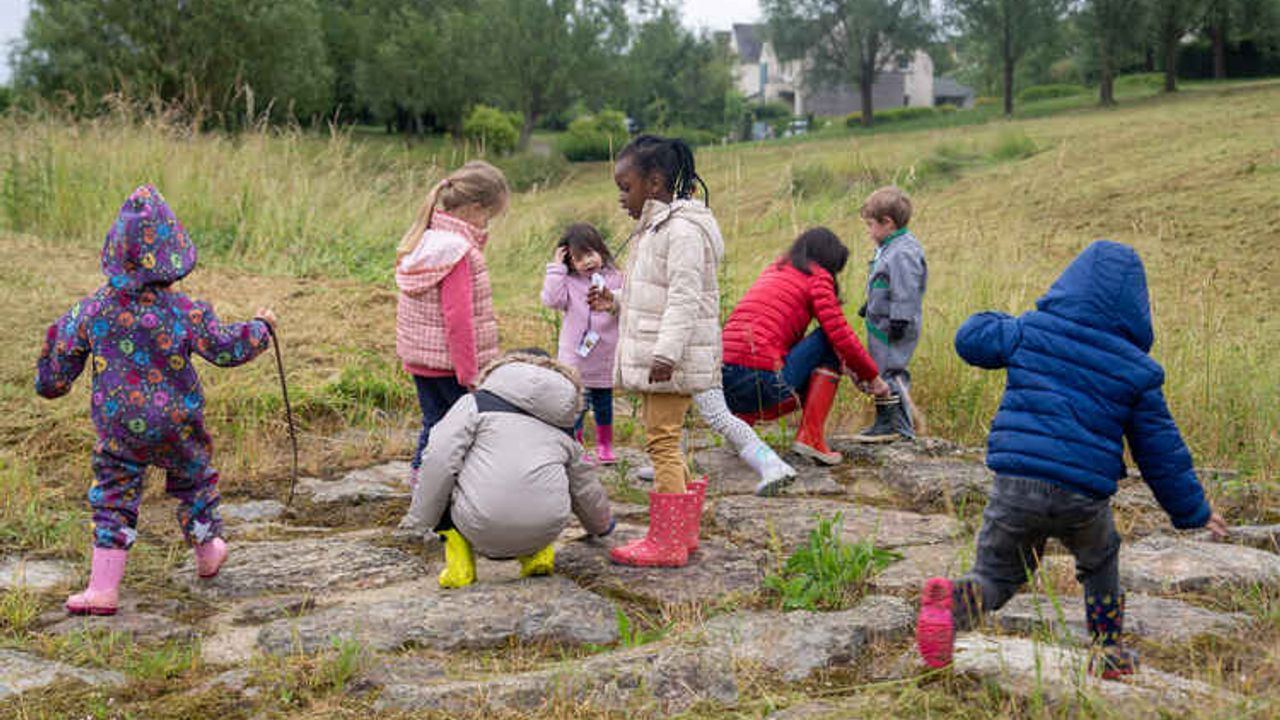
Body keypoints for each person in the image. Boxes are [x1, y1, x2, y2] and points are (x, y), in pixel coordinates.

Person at [915, 240, 1230, 677]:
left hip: (1016, 484)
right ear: (1137, 307)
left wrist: (1010, 324)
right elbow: (1161, 451)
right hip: (1083, 498)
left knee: (998, 574)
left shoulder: (1029, 330)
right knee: (1100, 564)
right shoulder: (1136, 369)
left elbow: (969, 339)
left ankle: (951, 606)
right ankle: (1107, 651)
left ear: (1068, 285)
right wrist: (1193, 511)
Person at [35, 184, 275, 616]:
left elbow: (60, 352)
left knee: (113, 496)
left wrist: (50, 383)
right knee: (195, 481)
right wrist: (261, 329)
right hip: (177, 421)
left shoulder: (95, 310)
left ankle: (103, 589)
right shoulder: (184, 311)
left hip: (120, 426)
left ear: (115, 253)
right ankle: (208, 550)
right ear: (174, 255)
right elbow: (224, 347)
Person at [588, 134, 722, 568]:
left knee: (661, 442)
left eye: (626, 187)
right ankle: (683, 532)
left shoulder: (681, 230)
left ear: (656, 182)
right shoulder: (658, 228)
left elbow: (685, 298)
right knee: (668, 442)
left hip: (671, 359)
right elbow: (656, 298)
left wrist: (665, 354)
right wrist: (617, 303)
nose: (622, 198)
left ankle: (666, 541)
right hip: (666, 353)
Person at [397, 350, 615, 588]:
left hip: (480, 526)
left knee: (451, 471)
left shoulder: (475, 404)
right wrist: (601, 526)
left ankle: (460, 564)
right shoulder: (562, 424)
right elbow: (584, 485)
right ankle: (536, 555)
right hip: (544, 529)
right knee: (544, 481)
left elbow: (439, 457)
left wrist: (421, 520)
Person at [720, 227, 891, 471]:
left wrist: (852, 368)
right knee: (827, 339)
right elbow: (839, 333)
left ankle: (741, 427)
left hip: (723, 388)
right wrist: (872, 377)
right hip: (763, 383)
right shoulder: (817, 276)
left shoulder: (776, 270)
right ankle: (810, 438)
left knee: (781, 348)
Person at [396, 160, 510, 491]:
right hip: (452, 366)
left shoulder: (427, 240)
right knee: (462, 430)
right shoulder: (458, 251)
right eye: (488, 216)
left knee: (434, 423)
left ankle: (422, 485)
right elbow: (457, 319)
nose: (488, 224)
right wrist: (469, 373)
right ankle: (439, 491)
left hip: (424, 360)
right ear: (475, 209)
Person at [541, 223, 624, 464]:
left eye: (590, 254)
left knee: (604, 403)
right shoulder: (567, 281)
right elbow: (551, 300)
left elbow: (625, 306)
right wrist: (557, 268)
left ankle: (605, 446)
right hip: (575, 357)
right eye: (578, 259)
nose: (586, 262)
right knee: (577, 404)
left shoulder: (617, 278)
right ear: (570, 262)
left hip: (605, 354)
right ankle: (576, 447)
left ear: (601, 250)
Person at [852, 186, 927, 443]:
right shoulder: (889, 246)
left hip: (894, 325)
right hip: (880, 323)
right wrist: (868, 305)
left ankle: (899, 426)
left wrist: (900, 318)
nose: (868, 231)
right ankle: (885, 421)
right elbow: (883, 281)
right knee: (879, 370)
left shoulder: (903, 251)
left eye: (871, 225)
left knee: (892, 371)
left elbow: (906, 288)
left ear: (888, 223)